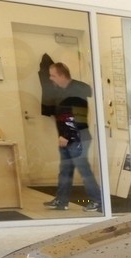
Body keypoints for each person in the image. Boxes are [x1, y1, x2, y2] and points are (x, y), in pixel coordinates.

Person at [44, 62, 102, 212]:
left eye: (53, 75)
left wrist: (66, 136)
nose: (51, 78)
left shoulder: (77, 90)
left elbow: (77, 118)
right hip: (67, 138)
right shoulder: (61, 91)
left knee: (84, 170)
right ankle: (62, 201)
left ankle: (97, 201)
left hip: (77, 138)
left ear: (62, 75)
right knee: (65, 170)